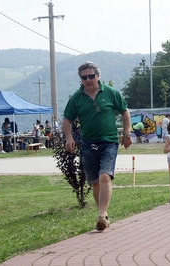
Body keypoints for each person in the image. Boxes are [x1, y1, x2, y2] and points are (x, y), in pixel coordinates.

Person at [62, 61, 132, 231]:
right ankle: (104, 215)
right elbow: (67, 120)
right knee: (95, 182)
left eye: (91, 76)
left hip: (109, 141)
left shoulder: (110, 93)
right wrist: (69, 138)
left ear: (98, 76)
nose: (88, 80)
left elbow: (124, 111)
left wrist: (127, 133)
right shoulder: (77, 98)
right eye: (84, 77)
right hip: (87, 144)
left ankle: (102, 214)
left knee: (104, 177)